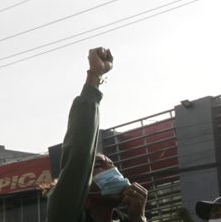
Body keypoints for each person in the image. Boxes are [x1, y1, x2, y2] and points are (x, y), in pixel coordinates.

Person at [47, 47, 149, 222]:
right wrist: (94, 76)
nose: (112, 170)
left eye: (112, 165)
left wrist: (139, 218)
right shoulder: (65, 213)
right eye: (100, 165)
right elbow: (80, 152)